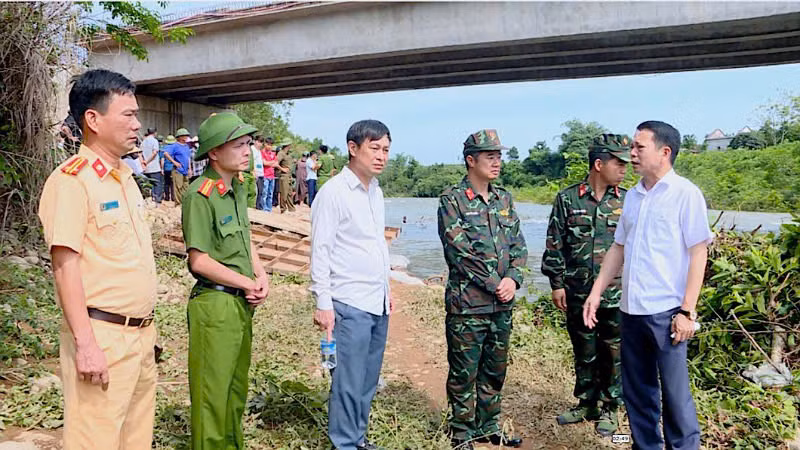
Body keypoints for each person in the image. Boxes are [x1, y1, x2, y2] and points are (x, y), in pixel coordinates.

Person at [38, 69, 158, 449]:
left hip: (140, 338)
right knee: (96, 441)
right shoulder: (72, 180)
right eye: (127, 115)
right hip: (102, 339)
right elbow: (64, 265)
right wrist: (86, 345)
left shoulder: (124, 178)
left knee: (135, 440)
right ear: (93, 119)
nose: (137, 124)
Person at [583, 121, 713, 450]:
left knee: (675, 396)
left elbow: (699, 253)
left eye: (640, 147)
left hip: (667, 313)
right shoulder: (634, 197)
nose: (632, 154)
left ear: (664, 152)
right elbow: (619, 249)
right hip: (632, 310)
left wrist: (687, 311)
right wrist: (596, 293)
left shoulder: (685, 194)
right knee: (638, 394)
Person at [181, 112, 269, 449]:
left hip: (239, 304)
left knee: (234, 391)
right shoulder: (200, 195)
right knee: (212, 397)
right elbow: (199, 260)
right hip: (215, 306)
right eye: (239, 145)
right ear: (214, 152)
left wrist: (260, 275)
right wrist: (247, 283)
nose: (248, 151)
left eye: (248, 144)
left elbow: (245, 240)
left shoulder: (237, 188)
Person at [437, 129, 527, 449]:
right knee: (464, 373)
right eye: (490, 156)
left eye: (499, 155)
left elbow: (518, 245)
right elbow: (459, 253)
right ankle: (461, 432)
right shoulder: (452, 200)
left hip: (502, 304)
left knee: (495, 369)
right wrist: (494, 283)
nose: (497, 161)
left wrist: (513, 279)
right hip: (468, 305)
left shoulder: (504, 198)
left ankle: (488, 424)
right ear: (470, 160)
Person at [541, 134, 631, 436]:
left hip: (617, 293)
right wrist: (556, 283)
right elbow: (555, 244)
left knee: (613, 352)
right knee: (584, 348)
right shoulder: (568, 199)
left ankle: (610, 406)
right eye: (618, 162)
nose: (624, 168)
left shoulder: (629, 200)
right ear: (598, 163)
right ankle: (586, 402)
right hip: (578, 291)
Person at [311, 119, 393, 450]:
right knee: (347, 379)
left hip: (376, 299)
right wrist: (323, 303)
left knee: (367, 378)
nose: (381, 156)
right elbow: (321, 250)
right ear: (353, 148)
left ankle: (358, 438)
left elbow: (375, 244)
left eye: (386, 149)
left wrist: (387, 288)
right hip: (348, 301)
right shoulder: (333, 193)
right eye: (374, 148)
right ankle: (344, 443)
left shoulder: (376, 191)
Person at [163, 128, 192, 205]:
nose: (186, 137)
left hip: (185, 170)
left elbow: (188, 158)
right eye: (184, 136)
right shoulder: (175, 146)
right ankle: (179, 203)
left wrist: (190, 169)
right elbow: (166, 153)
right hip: (178, 170)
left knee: (186, 187)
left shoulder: (186, 146)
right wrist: (174, 162)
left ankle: (185, 202)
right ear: (180, 137)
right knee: (178, 187)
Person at [140, 127, 163, 204]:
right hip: (154, 167)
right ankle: (157, 200)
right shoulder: (154, 141)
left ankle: (149, 199)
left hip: (146, 168)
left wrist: (143, 163)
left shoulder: (143, 142)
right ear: (155, 133)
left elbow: (140, 153)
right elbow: (155, 153)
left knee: (148, 185)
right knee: (157, 184)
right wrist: (147, 161)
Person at [277, 141, 295, 213]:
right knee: (284, 193)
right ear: (287, 145)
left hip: (289, 176)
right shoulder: (281, 153)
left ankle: (291, 209)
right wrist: (282, 169)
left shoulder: (288, 154)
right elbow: (276, 163)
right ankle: (283, 209)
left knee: (289, 193)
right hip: (284, 176)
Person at [261, 137, 277, 212]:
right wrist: (271, 163)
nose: (269, 146)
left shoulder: (273, 153)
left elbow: (276, 164)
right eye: (268, 144)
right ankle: (263, 208)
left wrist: (269, 163)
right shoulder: (262, 152)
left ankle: (269, 208)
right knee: (264, 193)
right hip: (265, 175)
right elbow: (264, 163)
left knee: (270, 193)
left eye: (271, 145)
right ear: (265, 144)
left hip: (272, 176)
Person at [252, 136, 266, 210]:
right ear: (255, 141)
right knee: (254, 192)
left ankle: (258, 207)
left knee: (260, 192)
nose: (260, 144)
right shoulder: (252, 149)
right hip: (255, 174)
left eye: (261, 142)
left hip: (261, 174)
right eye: (259, 141)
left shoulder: (259, 151)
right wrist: (253, 171)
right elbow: (252, 161)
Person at [162, 135, 176, 202]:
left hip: (166, 168)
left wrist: (162, 168)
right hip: (173, 167)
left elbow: (162, 159)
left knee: (166, 183)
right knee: (173, 183)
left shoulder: (164, 148)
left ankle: (167, 197)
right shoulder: (175, 148)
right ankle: (173, 197)